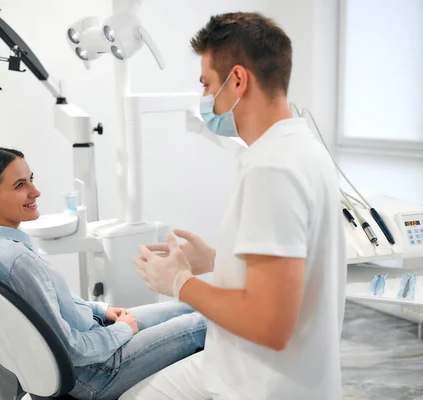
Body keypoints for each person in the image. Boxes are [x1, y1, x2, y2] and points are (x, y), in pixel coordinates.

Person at [124, 12, 347, 400]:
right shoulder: (300, 148)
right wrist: (218, 259)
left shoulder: (272, 170)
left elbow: (269, 325)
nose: (205, 99)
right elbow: (289, 267)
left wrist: (179, 283)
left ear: (238, 80)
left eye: (207, 84)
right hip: (275, 372)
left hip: (264, 385)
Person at [0, 147, 207, 400]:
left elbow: (58, 304)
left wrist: (101, 311)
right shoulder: (17, 260)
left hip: (95, 338)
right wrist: (122, 330)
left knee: (195, 307)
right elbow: (71, 349)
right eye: (19, 185)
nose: (35, 192)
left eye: (31, 179)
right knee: (204, 323)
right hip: (98, 371)